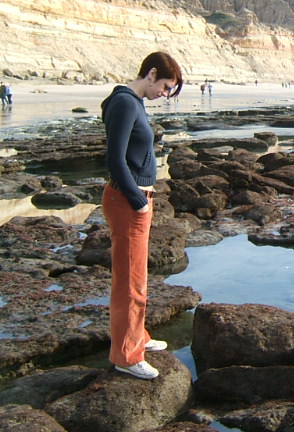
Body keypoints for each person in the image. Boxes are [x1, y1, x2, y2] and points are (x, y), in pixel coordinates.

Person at [101, 51, 183, 380]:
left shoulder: (134, 102)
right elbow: (114, 159)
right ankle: (126, 355)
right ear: (151, 74)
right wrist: (138, 200)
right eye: (165, 87)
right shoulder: (124, 102)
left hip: (133, 198)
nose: (164, 94)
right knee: (129, 283)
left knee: (138, 278)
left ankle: (138, 337)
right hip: (127, 201)